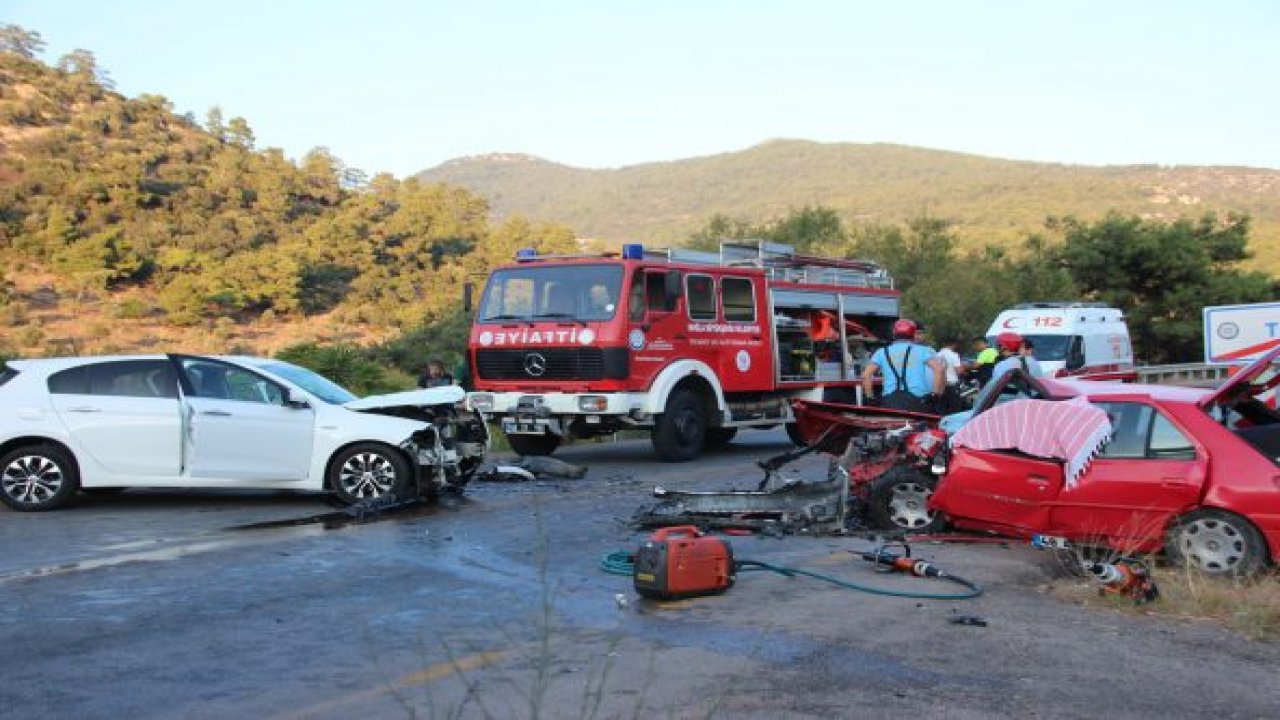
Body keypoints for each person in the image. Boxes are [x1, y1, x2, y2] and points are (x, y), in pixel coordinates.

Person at [861, 318, 945, 413]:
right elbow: (939, 369)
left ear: (894, 334)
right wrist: (935, 395)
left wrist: (870, 398)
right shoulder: (922, 351)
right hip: (918, 402)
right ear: (913, 334)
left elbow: (866, 375)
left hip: (889, 403)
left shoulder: (882, 352)